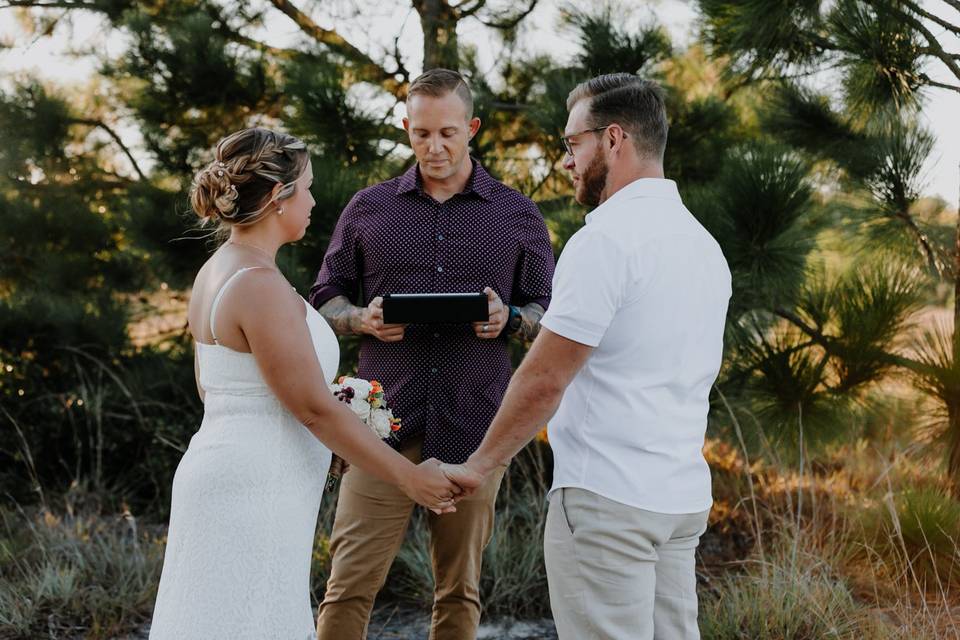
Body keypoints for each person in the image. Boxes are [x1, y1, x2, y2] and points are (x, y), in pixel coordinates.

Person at [441, 74, 732, 640]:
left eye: (574, 144)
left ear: (614, 139)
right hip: (679, 498)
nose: (567, 161)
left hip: (607, 502)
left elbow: (546, 377)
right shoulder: (704, 245)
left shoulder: (605, 240)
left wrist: (480, 465)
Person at [149, 127, 461, 640]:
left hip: (223, 469)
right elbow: (313, 409)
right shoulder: (259, 285)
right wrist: (408, 478)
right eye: (308, 187)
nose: (315, 200)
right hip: (256, 486)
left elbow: (217, 390)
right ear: (278, 197)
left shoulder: (216, 271)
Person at [310, 68, 555, 639]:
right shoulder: (369, 208)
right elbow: (325, 298)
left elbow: (549, 314)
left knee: (459, 593)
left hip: (475, 426)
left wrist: (510, 318)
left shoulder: (517, 214)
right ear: (406, 130)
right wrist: (360, 318)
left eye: (447, 133)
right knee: (347, 588)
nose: (434, 146)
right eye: (421, 134)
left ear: (471, 128)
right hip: (380, 429)